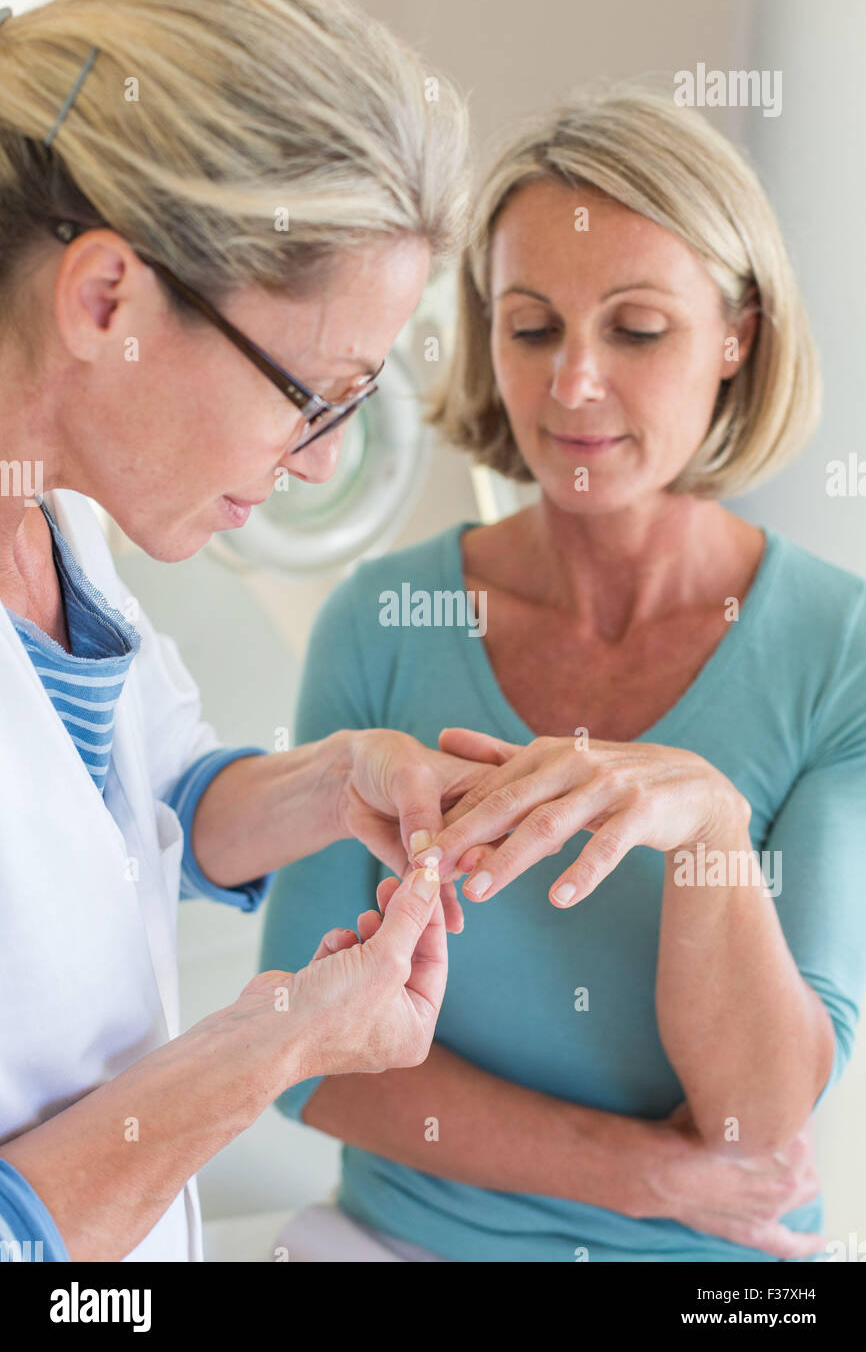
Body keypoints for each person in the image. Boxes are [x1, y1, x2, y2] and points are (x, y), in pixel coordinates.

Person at [261, 86, 866, 1262]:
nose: (570, 384)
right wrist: (636, 1176)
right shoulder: (383, 623)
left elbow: (754, 1118)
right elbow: (296, 1049)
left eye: (635, 330)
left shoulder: (835, 651)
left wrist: (709, 820)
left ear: (735, 335)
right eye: (531, 328)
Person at [0, 0, 487, 1263]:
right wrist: (274, 1043)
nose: (322, 462)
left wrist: (337, 781)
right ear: (108, 299)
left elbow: (152, 788)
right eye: (312, 392)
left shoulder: (62, 523)